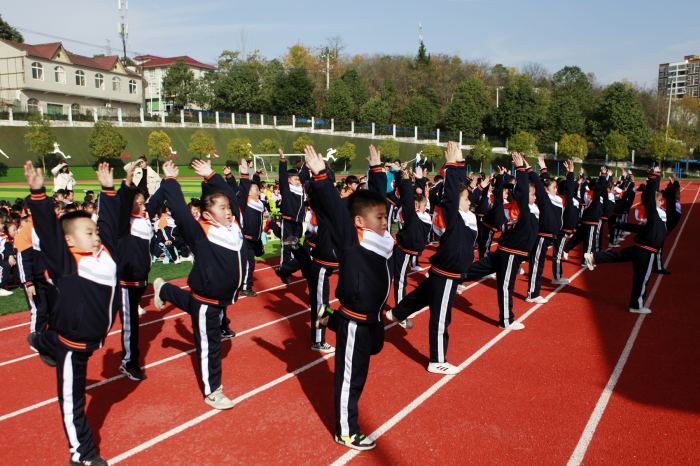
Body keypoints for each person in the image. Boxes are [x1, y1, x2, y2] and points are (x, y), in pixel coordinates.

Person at [25, 160, 121, 466]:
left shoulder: (105, 256)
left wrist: (108, 189)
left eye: (94, 232)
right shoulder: (66, 263)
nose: (95, 236)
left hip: (92, 338)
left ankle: (42, 341)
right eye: (87, 233)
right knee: (72, 401)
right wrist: (38, 194)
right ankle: (82, 456)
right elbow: (48, 231)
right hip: (72, 342)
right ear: (68, 241)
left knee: (53, 341)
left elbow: (108, 224)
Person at [307, 144, 390, 451]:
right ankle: (346, 432)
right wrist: (320, 174)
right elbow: (333, 205)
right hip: (356, 318)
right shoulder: (351, 240)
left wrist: (378, 172)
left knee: (365, 364)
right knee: (350, 378)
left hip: (373, 318)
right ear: (358, 222)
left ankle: (329, 319)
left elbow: (382, 203)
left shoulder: (381, 239)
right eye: (377, 218)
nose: (384, 221)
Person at [152, 158, 250, 409]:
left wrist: (211, 176)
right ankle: (213, 391)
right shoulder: (201, 232)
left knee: (192, 304)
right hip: (209, 297)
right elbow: (180, 212)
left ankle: (164, 288)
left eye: (228, 207)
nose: (228, 211)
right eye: (221, 208)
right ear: (207, 214)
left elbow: (232, 198)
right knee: (210, 344)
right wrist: (171, 182)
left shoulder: (233, 225)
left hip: (218, 297)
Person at [386, 142, 477, 374]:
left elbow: (460, 190)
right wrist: (452, 166)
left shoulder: (465, 217)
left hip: (444, 270)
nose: (470, 203)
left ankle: (396, 312)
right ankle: (437, 360)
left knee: (422, 295)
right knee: (441, 316)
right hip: (447, 271)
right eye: (466, 200)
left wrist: (459, 166)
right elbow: (452, 195)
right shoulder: (453, 215)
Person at [463, 152, 539, 330]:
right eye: (532, 194)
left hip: (507, 250)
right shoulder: (524, 208)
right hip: (510, 252)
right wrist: (520, 169)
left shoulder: (532, 209)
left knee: (478, 268)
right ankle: (506, 320)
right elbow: (521, 192)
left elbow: (537, 194)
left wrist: (526, 170)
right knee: (506, 286)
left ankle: (450, 276)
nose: (535, 197)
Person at [585, 167, 666, 314]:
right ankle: (636, 305)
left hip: (640, 247)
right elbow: (650, 197)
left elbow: (640, 228)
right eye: (660, 200)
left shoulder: (655, 218)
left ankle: (593, 256)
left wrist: (622, 225)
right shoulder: (654, 214)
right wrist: (653, 177)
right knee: (642, 278)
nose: (662, 202)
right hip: (647, 251)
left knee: (619, 255)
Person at [113, 163, 167, 380]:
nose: (143, 206)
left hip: (141, 280)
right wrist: (127, 180)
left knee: (130, 323)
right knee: (128, 324)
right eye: (139, 204)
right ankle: (128, 362)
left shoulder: (144, 219)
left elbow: (155, 199)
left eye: (143, 203)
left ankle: (128, 359)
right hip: (125, 281)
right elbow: (124, 201)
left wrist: (167, 179)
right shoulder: (123, 224)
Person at [525, 156, 564, 304]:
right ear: (547, 189)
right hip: (542, 235)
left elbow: (547, 182)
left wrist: (544, 169)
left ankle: (534, 291)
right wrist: (529, 169)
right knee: (537, 263)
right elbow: (541, 184)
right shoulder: (544, 197)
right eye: (554, 188)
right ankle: (532, 293)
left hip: (549, 235)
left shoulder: (556, 199)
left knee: (539, 263)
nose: (556, 189)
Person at [393, 165, 431, 305]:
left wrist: (420, 179)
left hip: (411, 247)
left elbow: (419, 196)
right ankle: (400, 306)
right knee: (400, 279)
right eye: (424, 205)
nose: (427, 206)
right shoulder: (411, 214)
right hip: (404, 249)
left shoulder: (422, 215)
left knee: (400, 278)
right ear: (415, 205)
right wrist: (406, 179)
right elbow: (409, 198)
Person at [275, 149, 305, 284]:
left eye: (299, 179)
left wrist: (307, 164)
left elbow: (304, 175)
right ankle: (283, 269)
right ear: (289, 180)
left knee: (296, 245)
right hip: (288, 221)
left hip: (298, 222)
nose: (298, 181)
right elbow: (282, 175)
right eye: (296, 179)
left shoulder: (301, 189)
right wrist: (282, 159)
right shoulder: (286, 188)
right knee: (286, 246)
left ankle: (289, 268)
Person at [551, 160, 578, 284]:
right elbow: (569, 189)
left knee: (558, 253)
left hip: (560, 229)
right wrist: (570, 172)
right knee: (557, 254)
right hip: (562, 230)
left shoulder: (556, 198)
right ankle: (557, 277)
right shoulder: (562, 199)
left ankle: (557, 276)